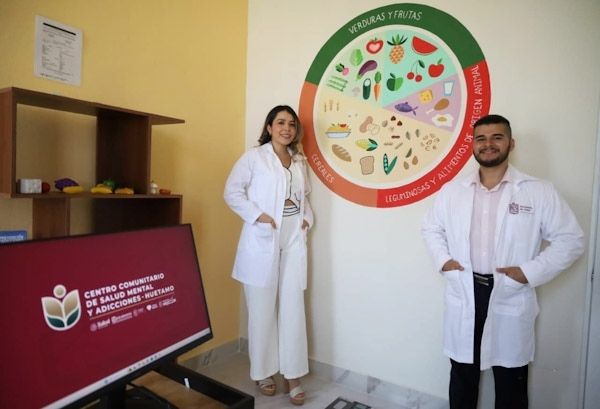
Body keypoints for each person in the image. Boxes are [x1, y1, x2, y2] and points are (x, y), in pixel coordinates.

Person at [421, 114, 584, 409]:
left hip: (509, 292)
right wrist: (444, 261)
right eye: (481, 139)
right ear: (473, 145)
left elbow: (571, 239)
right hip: (465, 291)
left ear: (511, 143)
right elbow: (431, 228)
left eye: (497, 137)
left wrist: (528, 272)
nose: (488, 144)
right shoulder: (453, 191)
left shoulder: (538, 191)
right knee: (462, 376)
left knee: (511, 379)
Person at [224, 105, 313, 406]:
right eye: (281, 123)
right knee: (261, 311)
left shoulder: (299, 161)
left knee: (293, 309)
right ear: (269, 127)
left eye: (291, 124)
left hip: (292, 242)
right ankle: (263, 372)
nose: (287, 128)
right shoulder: (254, 158)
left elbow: (304, 199)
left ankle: (293, 375)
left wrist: (306, 219)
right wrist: (257, 216)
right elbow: (232, 192)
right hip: (262, 242)